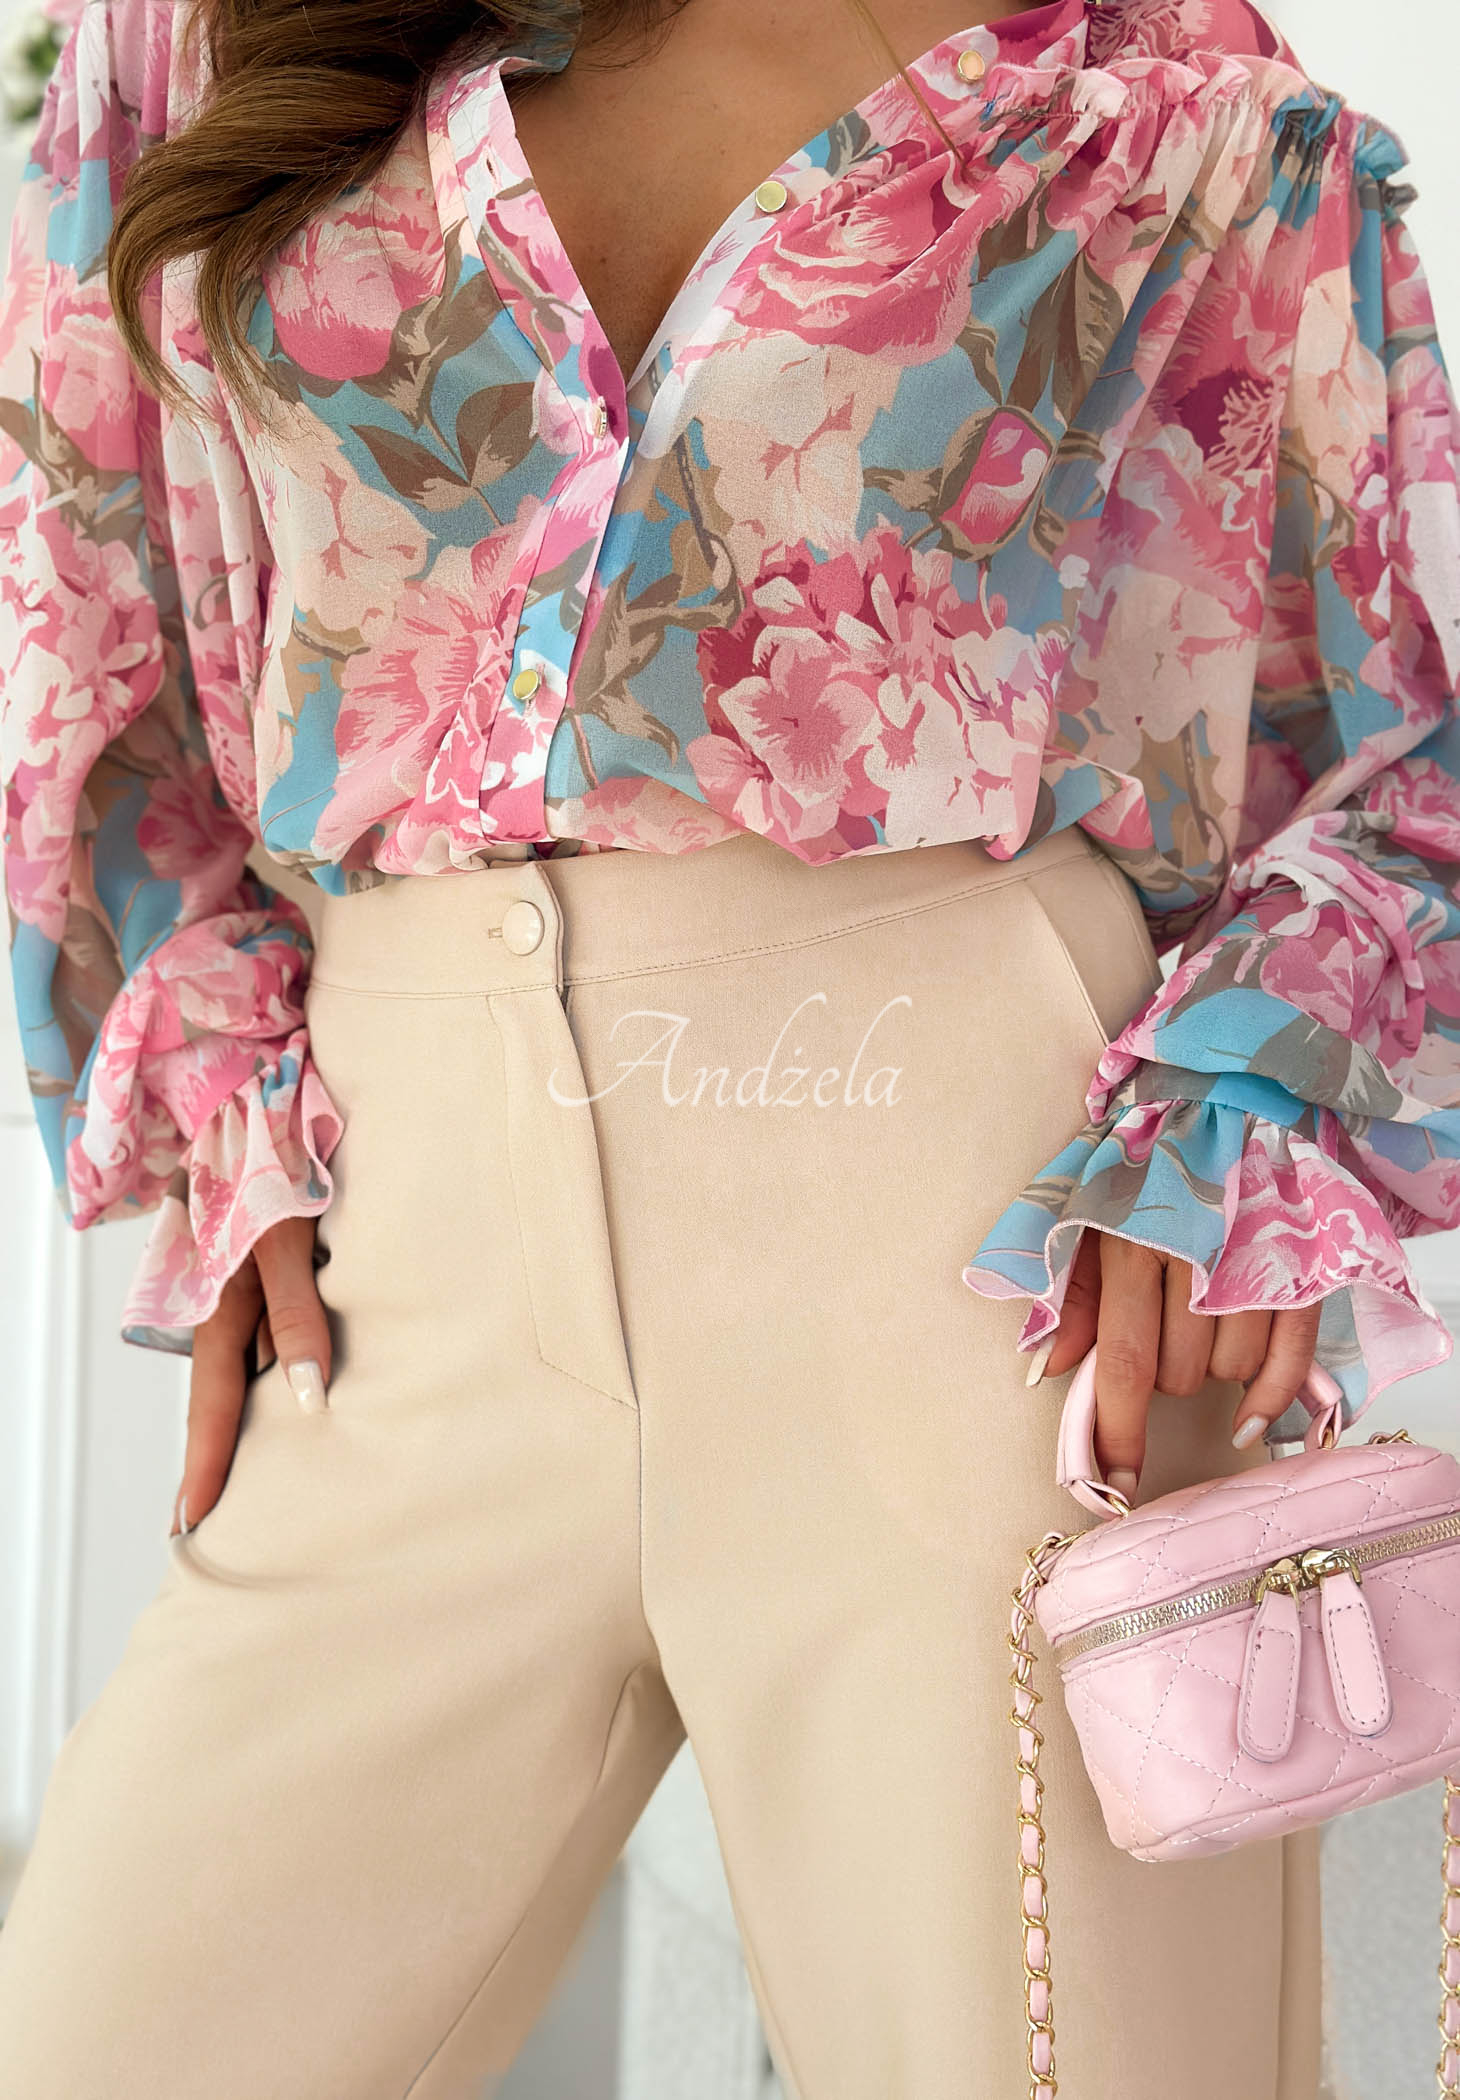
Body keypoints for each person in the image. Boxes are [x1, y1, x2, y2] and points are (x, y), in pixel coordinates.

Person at [0, 0, 1455, 2091]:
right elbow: (74, 596)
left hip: (994, 1278)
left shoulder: (1141, 75)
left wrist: (1233, 1102)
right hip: (406, 1275)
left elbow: (1392, 736)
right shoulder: (201, 30)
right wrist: (225, 1110)